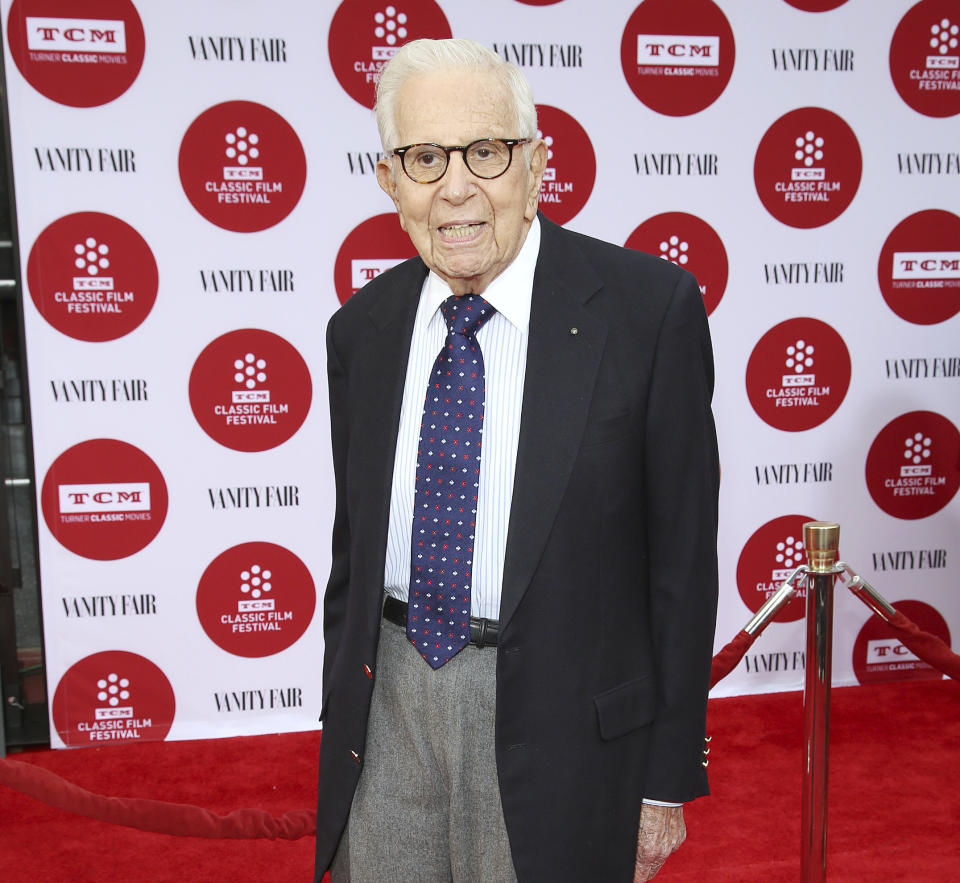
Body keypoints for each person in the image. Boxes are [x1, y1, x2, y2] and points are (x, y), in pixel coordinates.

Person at [314, 38, 719, 883]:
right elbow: (352, 558)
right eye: (425, 157)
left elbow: (680, 567)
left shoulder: (647, 312)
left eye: (485, 152)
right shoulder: (362, 329)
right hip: (390, 705)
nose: (456, 187)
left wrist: (665, 776)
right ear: (391, 182)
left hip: (561, 722)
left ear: (536, 165)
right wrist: (341, 722)